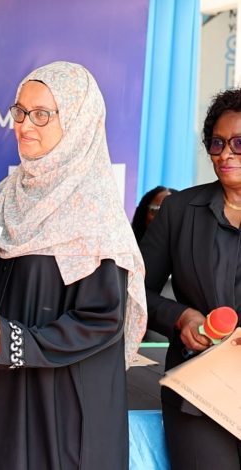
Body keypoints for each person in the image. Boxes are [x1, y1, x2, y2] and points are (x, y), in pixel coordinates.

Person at [0, 61, 146, 470]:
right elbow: (3, 288)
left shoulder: (93, 211)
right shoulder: (9, 194)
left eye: (42, 114)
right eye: (20, 111)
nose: (25, 125)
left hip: (63, 405)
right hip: (5, 387)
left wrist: (15, 340)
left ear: (78, 120)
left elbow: (102, 319)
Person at [140, 88, 241, 468]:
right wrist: (181, 317)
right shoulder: (180, 209)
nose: (225, 154)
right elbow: (133, 290)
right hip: (199, 392)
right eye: (217, 143)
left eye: (239, 143)